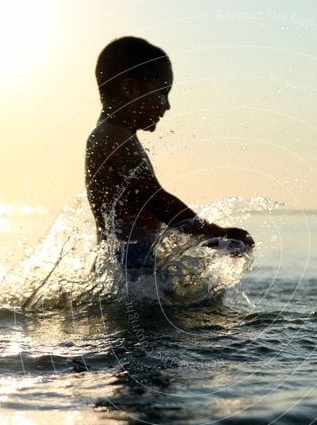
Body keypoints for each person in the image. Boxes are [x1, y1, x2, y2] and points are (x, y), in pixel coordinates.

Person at [85, 37, 254, 270]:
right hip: (125, 264)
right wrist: (213, 232)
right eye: (163, 92)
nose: (167, 105)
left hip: (132, 261)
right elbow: (155, 198)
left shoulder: (118, 134)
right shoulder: (112, 136)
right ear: (129, 88)